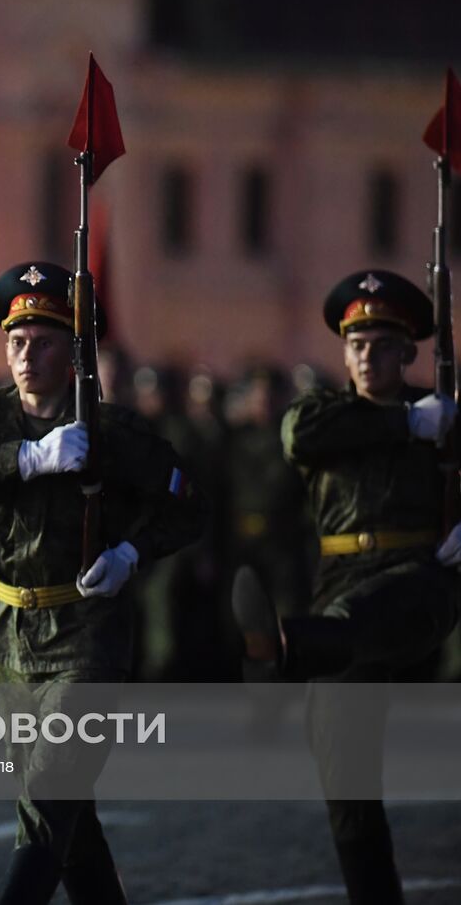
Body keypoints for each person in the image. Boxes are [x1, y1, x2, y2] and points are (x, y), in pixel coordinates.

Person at [0, 261, 203, 904]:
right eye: (17, 340)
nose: (27, 354)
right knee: (69, 814)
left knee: (46, 799)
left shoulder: (114, 431)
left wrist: (130, 551)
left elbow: (188, 504)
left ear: (72, 350)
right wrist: (24, 457)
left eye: (43, 340)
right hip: (7, 637)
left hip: (86, 635)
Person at [232, 269, 460, 904]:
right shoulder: (325, 414)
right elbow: (297, 436)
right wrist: (402, 428)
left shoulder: (443, 415)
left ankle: (278, 651)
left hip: (420, 580)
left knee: (364, 617)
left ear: (408, 352)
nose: (366, 356)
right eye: (356, 345)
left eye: (381, 345)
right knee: (346, 783)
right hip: (337, 586)